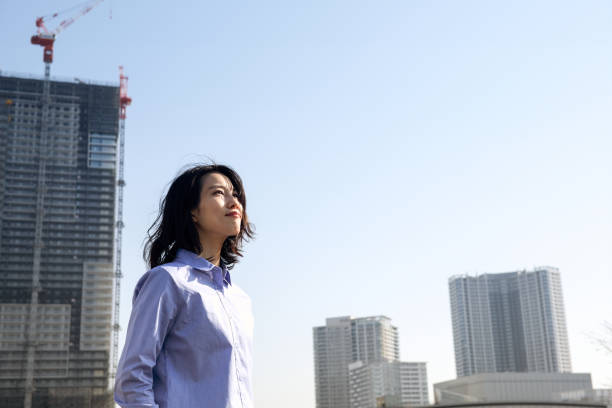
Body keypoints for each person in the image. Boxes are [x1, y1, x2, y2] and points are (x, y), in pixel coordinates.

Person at [114, 163, 255, 408]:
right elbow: (132, 380)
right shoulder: (167, 281)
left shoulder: (240, 299)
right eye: (218, 193)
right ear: (192, 212)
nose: (234, 202)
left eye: (235, 194)